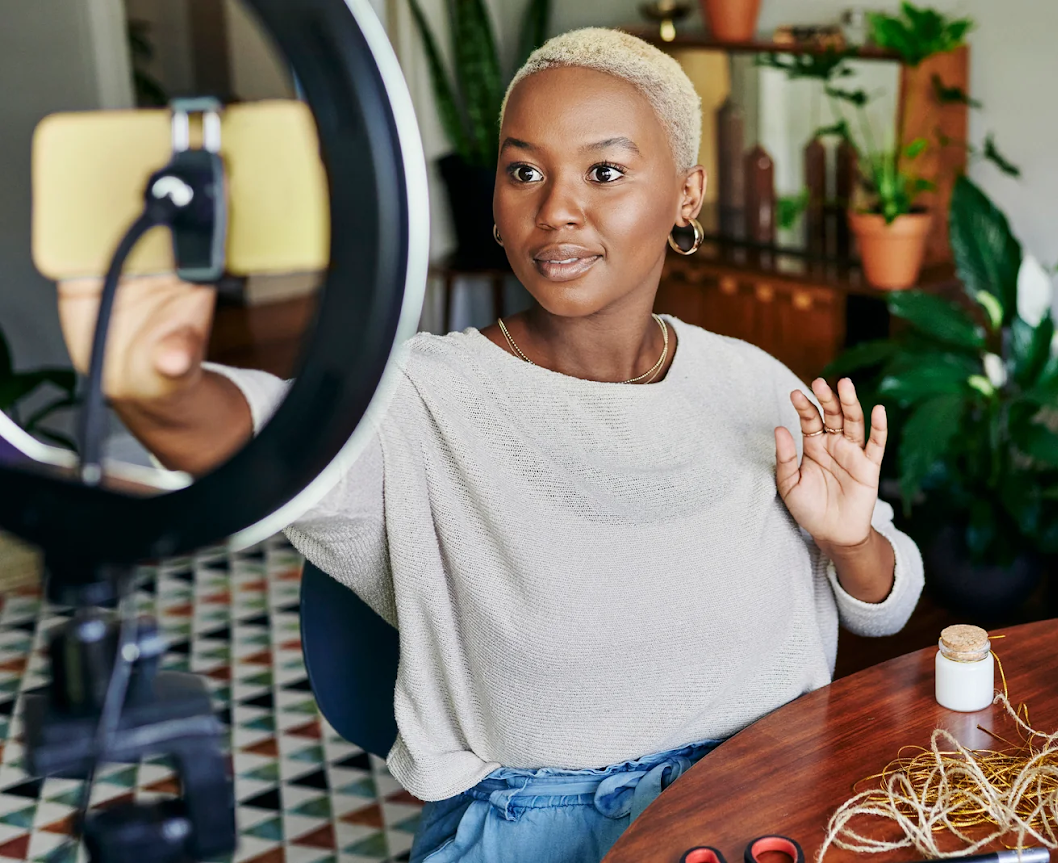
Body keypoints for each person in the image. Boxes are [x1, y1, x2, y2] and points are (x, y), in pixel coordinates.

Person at [55, 27, 923, 863]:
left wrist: (851, 539)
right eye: (523, 172)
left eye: (605, 171)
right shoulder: (422, 400)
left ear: (685, 197)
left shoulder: (756, 383)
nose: (556, 211)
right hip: (544, 833)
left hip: (775, 802)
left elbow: (884, 602)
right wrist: (154, 380)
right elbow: (256, 439)